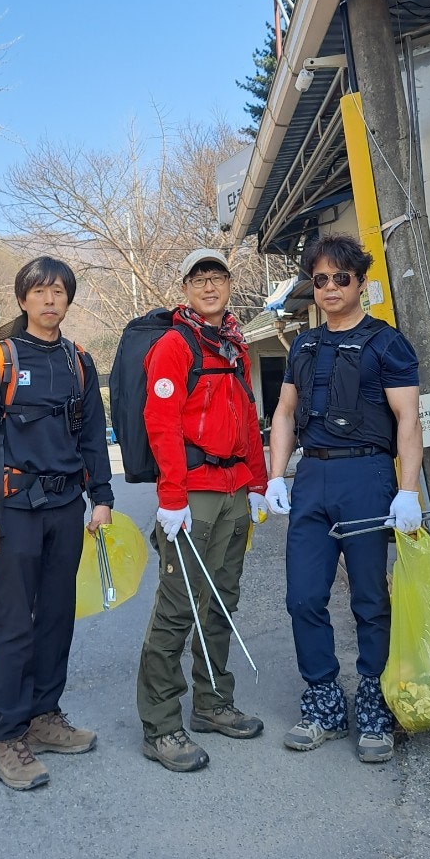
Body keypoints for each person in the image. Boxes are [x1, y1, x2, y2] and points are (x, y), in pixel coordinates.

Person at [265, 233, 423, 765]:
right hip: (312, 475)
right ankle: (325, 702)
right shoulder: (304, 347)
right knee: (303, 597)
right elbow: (285, 413)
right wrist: (276, 477)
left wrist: (407, 490)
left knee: (370, 599)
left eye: (341, 278)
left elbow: (408, 419)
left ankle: (376, 701)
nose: (330, 287)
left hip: (367, 476)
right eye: (320, 279)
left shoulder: (387, 343)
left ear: (359, 282)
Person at [0, 256, 114, 791]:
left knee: (56, 616)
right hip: (13, 511)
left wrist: (102, 497)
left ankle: (44, 716)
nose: (50, 300)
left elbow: (93, 436)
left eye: (59, 292)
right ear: (22, 299)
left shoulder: (79, 361)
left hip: (65, 507)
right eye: (40, 291)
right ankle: (7, 738)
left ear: (68, 300)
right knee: (14, 624)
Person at [137, 249, 269, 772]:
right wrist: (171, 498)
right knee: (178, 609)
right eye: (199, 279)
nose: (209, 286)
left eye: (217, 277)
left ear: (230, 284)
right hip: (192, 494)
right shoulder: (174, 345)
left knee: (221, 604)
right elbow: (161, 424)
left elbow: (248, 417)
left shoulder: (234, 344)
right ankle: (160, 725)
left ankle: (212, 703)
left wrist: (257, 482)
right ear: (185, 289)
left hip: (235, 491)